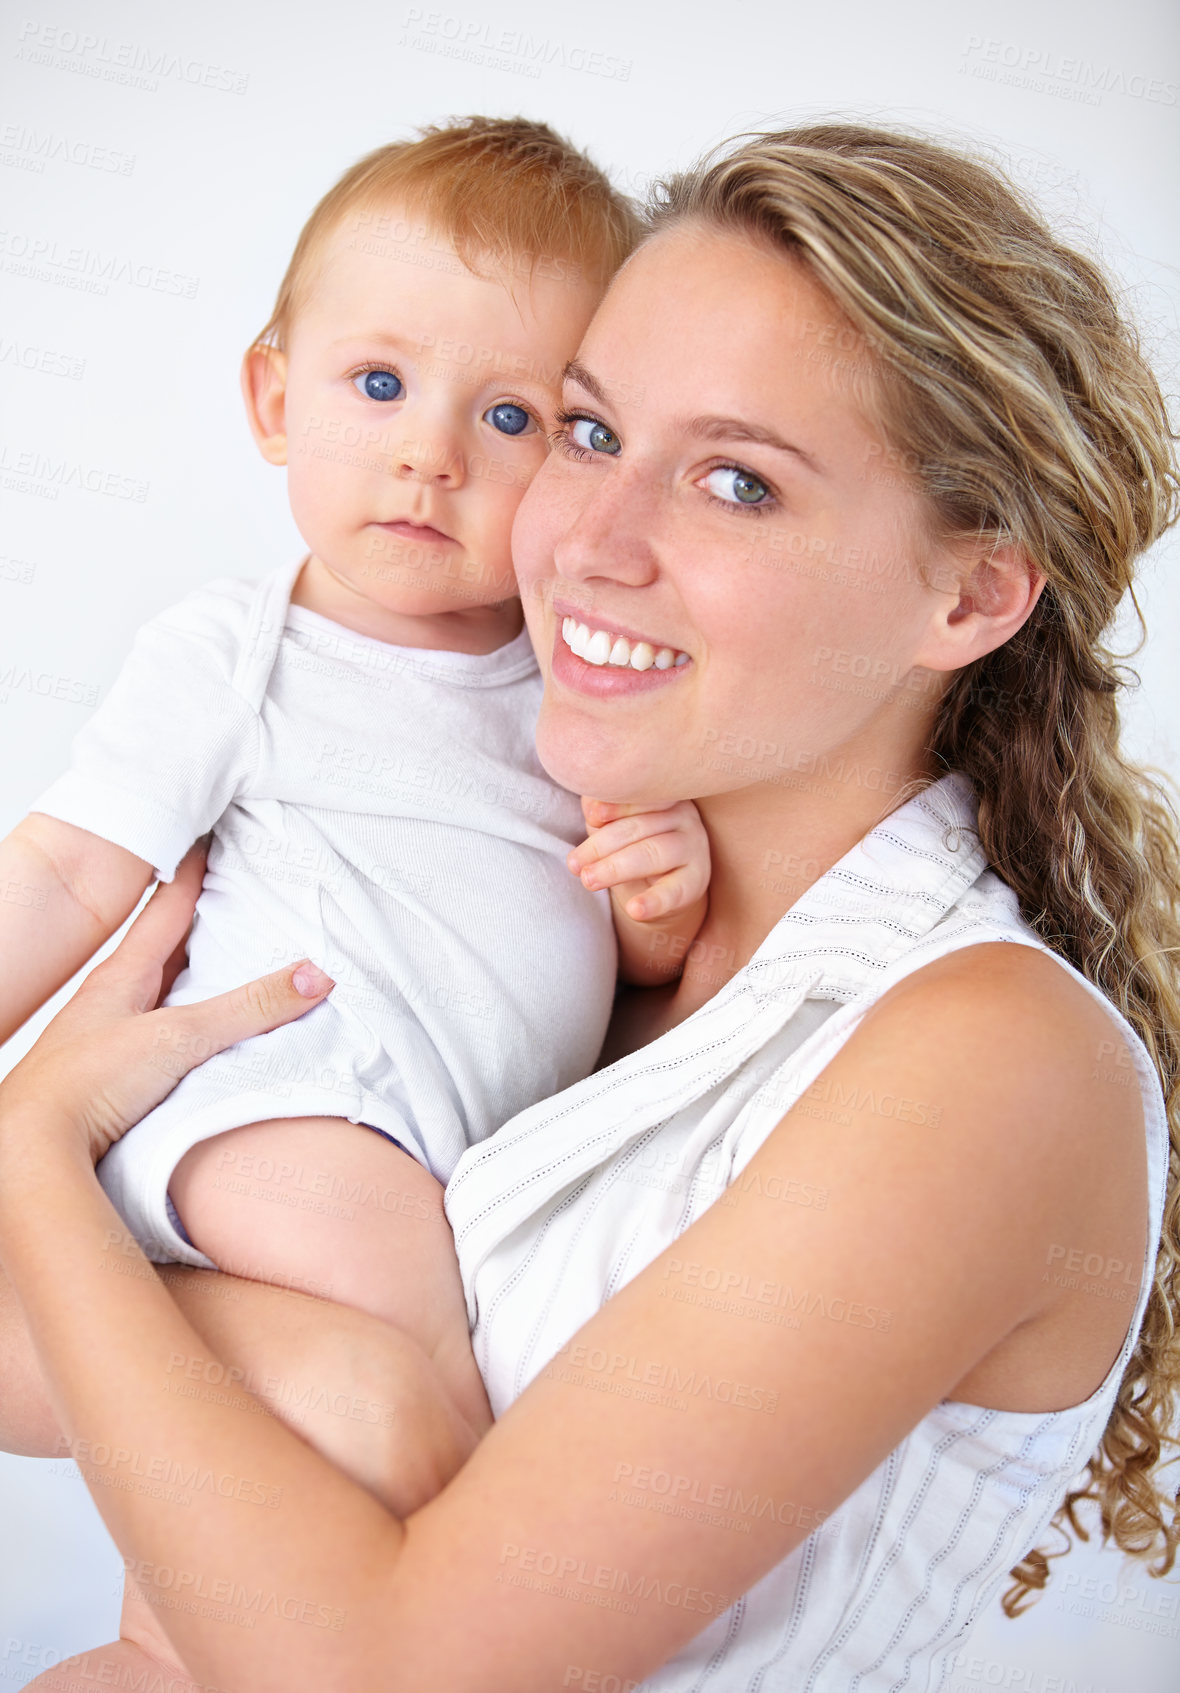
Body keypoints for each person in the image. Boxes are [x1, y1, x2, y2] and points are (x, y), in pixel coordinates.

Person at [1, 122, 1177, 1691]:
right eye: (584, 429)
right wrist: (279, 1346)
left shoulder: (988, 1061)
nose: (588, 544)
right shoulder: (556, 925)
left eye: (738, 482)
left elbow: (390, 1673)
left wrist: (39, 1156)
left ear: (965, 595)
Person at [0, 117, 711, 1452]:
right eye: (378, 385)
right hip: (264, 1100)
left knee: (317, 1443)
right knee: (444, 1389)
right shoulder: (240, 651)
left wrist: (658, 897)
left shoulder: (583, 685)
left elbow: (625, 971)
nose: (429, 454)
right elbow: (58, 868)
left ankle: (179, 1647)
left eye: (513, 417)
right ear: (276, 401)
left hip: (440, 1149)